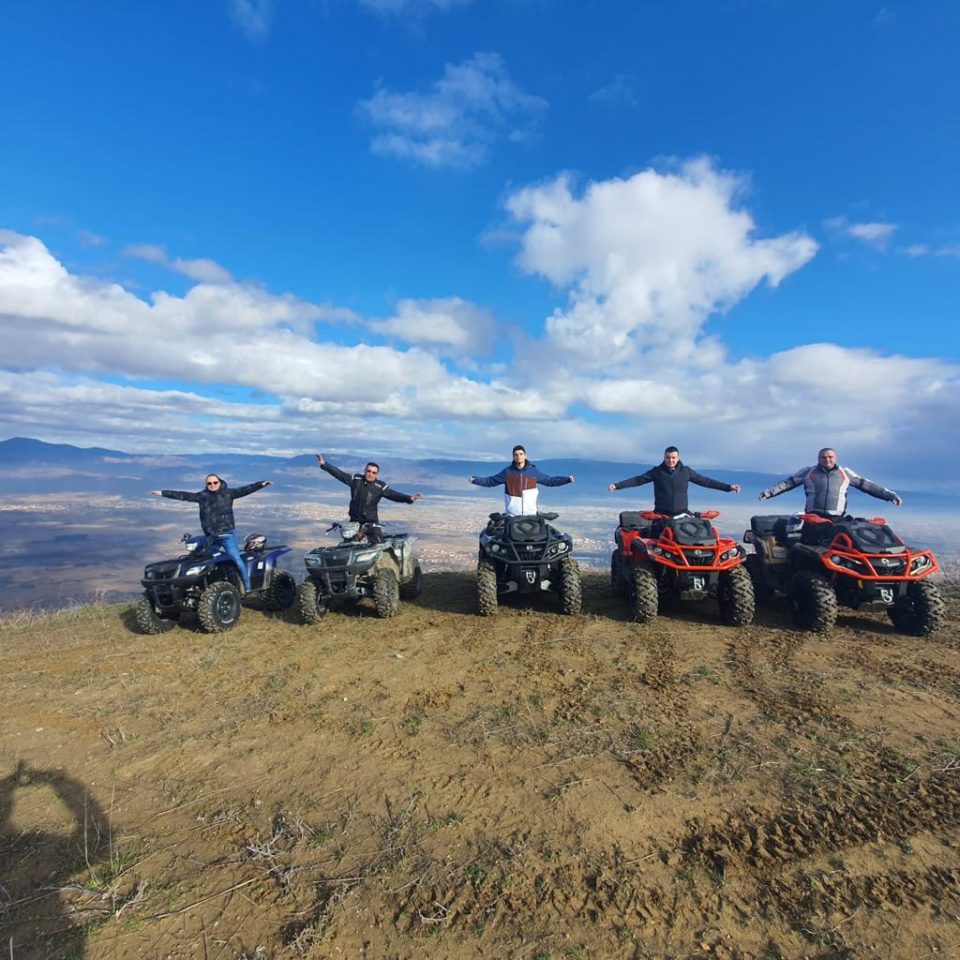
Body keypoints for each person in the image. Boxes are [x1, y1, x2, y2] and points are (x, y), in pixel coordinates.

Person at [151, 474, 272, 593]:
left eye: (215, 482)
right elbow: (183, 495)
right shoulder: (202, 496)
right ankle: (208, 587)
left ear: (220, 482)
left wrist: (261, 484)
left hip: (227, 535)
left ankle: (247, 587)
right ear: (206, 485)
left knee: (235, 558)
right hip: (210, 537)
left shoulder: (228, 493)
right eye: (209, 483)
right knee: (203, 561)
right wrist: (163, 493)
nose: (212, 485)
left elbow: (246, 489)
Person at [758, 447, 902, 516]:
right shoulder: (809, 472)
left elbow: (867, 485)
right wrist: (769, 493)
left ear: (835, 458)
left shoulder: (845, 473)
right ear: (818, 459)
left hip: (837, 518)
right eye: (823, 457)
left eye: (830, 457)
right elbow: (788, 483)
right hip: (813, 518)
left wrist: (889, 496)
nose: (827, 460)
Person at [315, 454, 421, 541]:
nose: (370, 474)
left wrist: (409, 498)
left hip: (371, 524)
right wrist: (324, 464)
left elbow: (393, 495)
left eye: (374, 472)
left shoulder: (380, 486)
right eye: (368, 471)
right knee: (348, 546)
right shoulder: (356, 480)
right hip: (354, 522)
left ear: (377, 474)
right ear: (365, 470)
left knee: (379, 545)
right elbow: (340, 475)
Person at [608, 446, 740, 515]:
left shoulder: (686, 471)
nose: (670, 460)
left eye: (673, 457)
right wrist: (618, 486)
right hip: (661, 515)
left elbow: (706, 481)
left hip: (682, 514)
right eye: (667, 458)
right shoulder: (657, 472)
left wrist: (728, 487)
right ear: (664, 457)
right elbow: (638, 480)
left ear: (678, 457)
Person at [468, 444, 574, 516]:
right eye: (516, 454)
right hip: (512, 515)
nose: (518, 456)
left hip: (530, 515)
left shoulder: (533, 472)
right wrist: (475, 480)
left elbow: (550, 481)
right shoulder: (507, 472)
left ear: (525, 456)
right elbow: (490, 481)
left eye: (521, 454)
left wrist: (566, 480)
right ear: (513, 457)